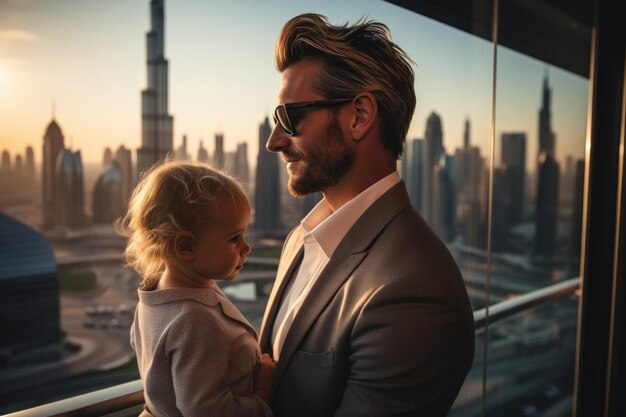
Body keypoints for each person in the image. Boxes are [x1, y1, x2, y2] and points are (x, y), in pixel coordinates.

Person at [258, 13, 475, 417]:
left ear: (359, 116)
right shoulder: (303, 238)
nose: (274, 141)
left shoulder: (414, 293)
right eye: (276, 120)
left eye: (290, 118)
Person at [117, 161, 276, 417]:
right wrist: (263, 395)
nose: (246, 248)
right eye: (234, 238)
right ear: (186, 248)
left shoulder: (153, 300)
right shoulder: (194, 320)